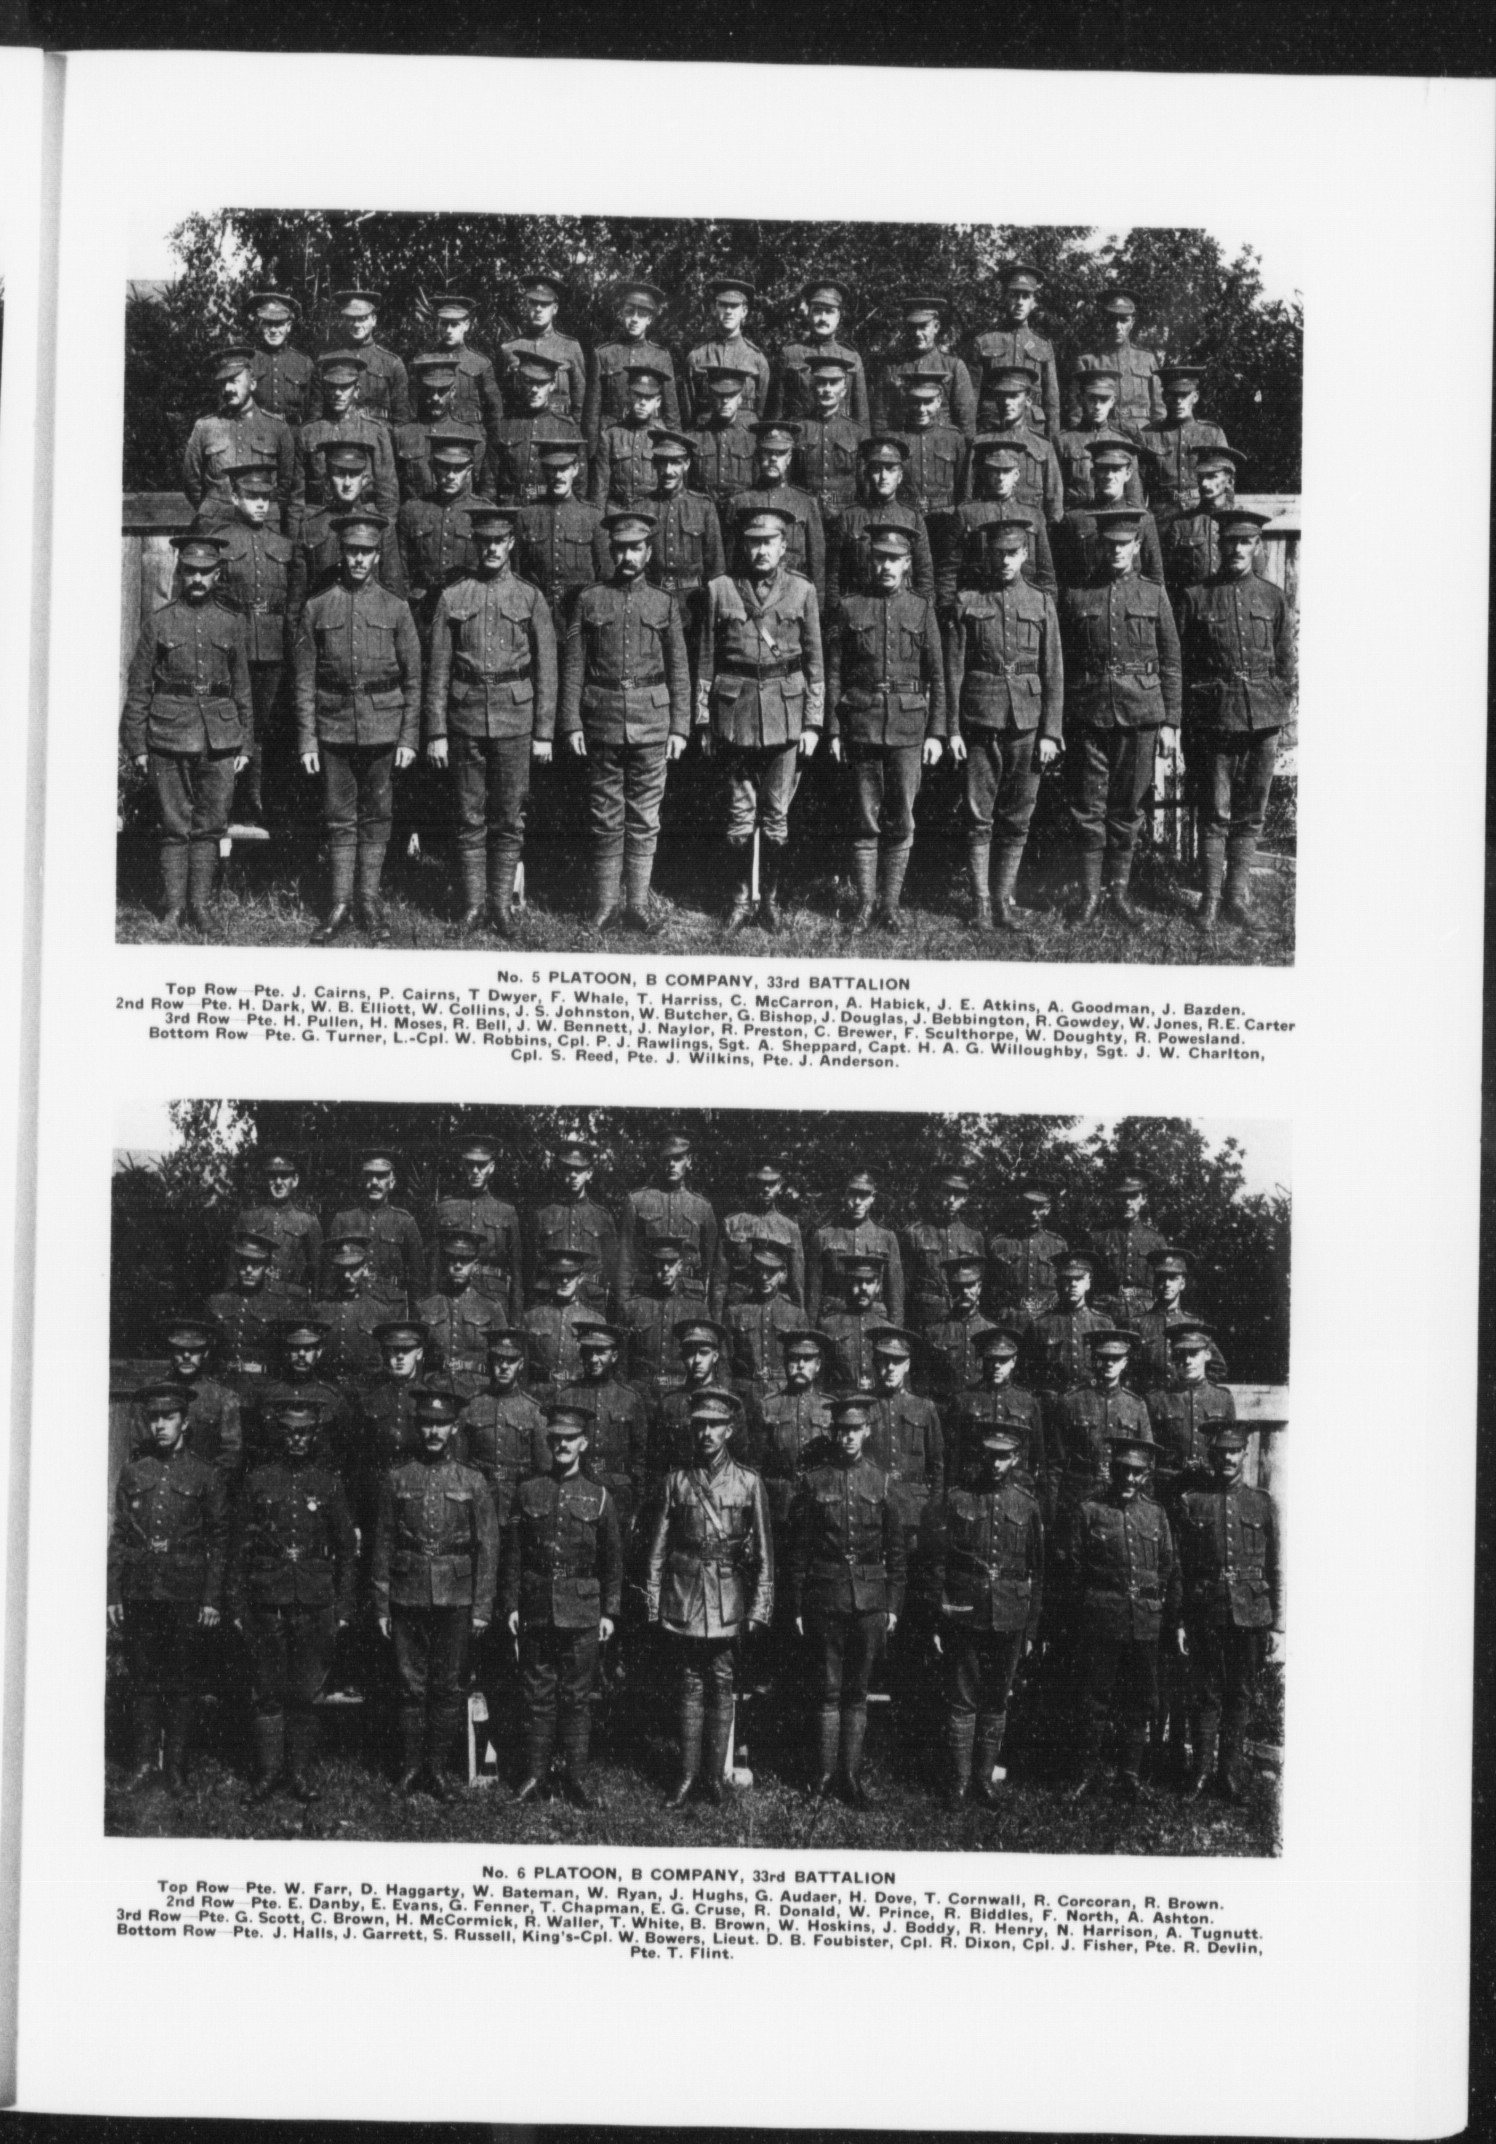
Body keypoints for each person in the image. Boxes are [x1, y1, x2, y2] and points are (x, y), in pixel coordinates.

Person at [424, 498, 557, 938]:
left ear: (512, 543)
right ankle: (472, 906)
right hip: (464, 718)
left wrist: (543, 732)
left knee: (509, 816)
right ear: (475, 543)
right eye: (484, 542)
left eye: (499, 541)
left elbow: (548, 670)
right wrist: (436, 731)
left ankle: (500, 906)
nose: (492, 549)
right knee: (468, 815)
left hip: (516, 719)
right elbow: (437, 671)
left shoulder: (530, 597)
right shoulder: (453, 597)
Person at [559, 507, 691, 933]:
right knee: (605, 815)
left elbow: (679, 669)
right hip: (602, 718)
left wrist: (680, 727)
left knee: (645, 816)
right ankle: (605, 906)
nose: (627, 557)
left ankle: (637, 905)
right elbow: (574, 666)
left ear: (649, 552)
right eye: (620, 549)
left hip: (652, 722)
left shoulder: (664, 603)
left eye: (636, 549)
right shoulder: (589, 600)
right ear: (611, 552)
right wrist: (571, 722)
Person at [293, 510, 421, 945]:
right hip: (333, 727)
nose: (359, 560)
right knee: (339, 817)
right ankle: (339, 904)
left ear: (378, 555)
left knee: (378, 816)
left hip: (384, 726)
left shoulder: (396, 608)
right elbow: (304, 679)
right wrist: (308, 740)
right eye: (351, 551)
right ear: (341, 553)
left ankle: (368, 901)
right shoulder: (317, 607)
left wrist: (409, 736)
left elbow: (414, 678)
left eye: (366, 552)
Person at [698, 504, 824, 934]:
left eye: (769, 542)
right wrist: (704, 722)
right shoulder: (720, 590)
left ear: (784, 546)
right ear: (743, 546)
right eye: (754, 543)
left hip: (785, 715)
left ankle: (768, 902)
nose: (761, 551)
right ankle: (739, 902)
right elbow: (706, 660)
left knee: (775, 820)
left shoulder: (802, 590)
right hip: (733, 715)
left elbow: (815, 662)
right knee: (738, 818)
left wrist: (812, 723)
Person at [644, 1387, 774, 1808]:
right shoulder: (676, 1481)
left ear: (729, 1430)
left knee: (722, 1680)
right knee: (688, 1681)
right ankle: (685, 1776)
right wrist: (653, 1600)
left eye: (715, 1425)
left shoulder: (749, 1482)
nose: (706, 1433)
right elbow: (658, 1549)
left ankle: (713, 1778)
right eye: (700, 1425)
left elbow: (765, 1555)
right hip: (684, 1593)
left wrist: (760, 1607)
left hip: (728, 1595)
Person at [226, 1395, 357, 1804]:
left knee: (305, 1691)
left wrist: (344, 1607)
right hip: (267, 1599)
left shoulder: (329, 1483)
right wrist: (237, 1605)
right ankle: (268, 1774)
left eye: (304, 1433)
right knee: (266, 1690)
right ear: (278, 1435)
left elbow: (347, 1549)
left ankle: (298, 1774)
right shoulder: (258, 1481)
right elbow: (238, 1548)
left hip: (316, 1601)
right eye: (289, 1432)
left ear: (314, 1435)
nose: (297, 1439)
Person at [122, 530, 252, 934]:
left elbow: (243, 688)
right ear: (180, 572)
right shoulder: (159, 623)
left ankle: (201, 907)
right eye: (191, 571)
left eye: (205, 571)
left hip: (220, 739)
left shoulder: (232, 623)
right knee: (173, 824)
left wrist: (246, 743)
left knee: (210, 825)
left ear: (217, 574)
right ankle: (174, 909)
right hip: (168, 736)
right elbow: (139, 687)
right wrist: (137, 745)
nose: (197, 578)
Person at [373, 1380, 498, 1797]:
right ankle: (411, 1769)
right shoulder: (396, 1478)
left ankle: (437, 1771)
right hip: (407, 1593)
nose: (433, 1432)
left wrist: (482, 1607)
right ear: (416, 1426)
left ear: (454, 1428)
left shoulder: (472, 1481)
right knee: (410, 1685)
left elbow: (488, 1547)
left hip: (456, 1596)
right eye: (426, 1423)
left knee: (448, 1686)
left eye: (441, 1424)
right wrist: (381, 1605)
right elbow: (383, 1543)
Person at [1059, 506, 1182, 928]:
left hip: (1140, 712)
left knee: (1128, 808)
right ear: (1100, 545)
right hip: (1088, 712)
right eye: (1109, 544)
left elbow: (1171, 662)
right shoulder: (1076, 595)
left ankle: (1119, 893)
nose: (1116, 551)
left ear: (1137, 546)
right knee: (1087, 806)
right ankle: (1090, 896)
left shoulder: (1154, 594)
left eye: (1124, 544)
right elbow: (1061, 662)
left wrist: (1170, 722)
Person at [107, 1381, 229, 1794]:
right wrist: (114, 1593)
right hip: (141, 1589)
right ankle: (143, 1763)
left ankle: (175, 1767)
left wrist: (211, 1598)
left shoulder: (205, 1474)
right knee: (142, 1677)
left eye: (169, 1417)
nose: (160, 1425)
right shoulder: (134, 1471)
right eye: (154, 1418)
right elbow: (120, 1535)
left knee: (181, 1679)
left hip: (184, 1591)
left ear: (185, 1422)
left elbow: (219, 1540)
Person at [825, 523, 946, 934]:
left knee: (902, 817)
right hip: (861, 722)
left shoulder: (921, 609)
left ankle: (890, 906)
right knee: (864, 817)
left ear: (908, 564)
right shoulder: (850, 607)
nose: (886, 567)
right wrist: (834, 730)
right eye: (880, 558)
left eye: (895, 560)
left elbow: (937, 675)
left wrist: (936, 733)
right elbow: (835, 673)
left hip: (909, 726)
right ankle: (864, 904)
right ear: (870, 561)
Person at [943, 519, 1064, 932]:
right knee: (979, 813)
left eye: (1012, 553)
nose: (1005, 561)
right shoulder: (967, 601)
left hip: (1027, 722)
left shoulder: (1041, 602)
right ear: (988, 555)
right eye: (998, 553)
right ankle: (980, 901)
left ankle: (1003, 900)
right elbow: (953, 671)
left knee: (1017, 815)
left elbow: (1053, 671)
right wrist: (952, 730)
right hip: (980, 717)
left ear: (1025, 555)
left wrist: (1051, 732)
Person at [1180, 506, 1295, 937]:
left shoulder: (1273, 598)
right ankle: (1210, 900)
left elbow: (1286, 663)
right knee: (1215, 811)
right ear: (1219, 545)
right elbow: (1183, 664)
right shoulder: (1196, 597)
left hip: (1263, 719)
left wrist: (1277, 702)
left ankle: (1237, 898)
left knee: (1251, 813)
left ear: (1257, 547)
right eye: (1230, 541)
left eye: (1245, 542)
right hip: (1216, 719)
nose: (1237, 549)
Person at [502, 1402, 623, 1805]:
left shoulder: (599, 1497)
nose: (562, 1445)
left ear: (584, 1443)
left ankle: (576, 1779)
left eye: (570, 1439)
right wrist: (512, 1604)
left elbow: (613, 1562)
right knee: (537, 1694)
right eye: (555, 1439)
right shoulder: (528, 1491)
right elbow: (514, 1555)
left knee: (576, 1697)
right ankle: (535, 1776)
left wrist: (609, 1612)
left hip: (583, 1610)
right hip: (537, 1606)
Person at [787, 1394, 906, 1802]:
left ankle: (851, 1778)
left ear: (867, 1431)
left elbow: (896, 1554)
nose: (848, 1437)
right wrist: (798, 1604)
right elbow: (799, 1552)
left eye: (855, 1430)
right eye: (842, 1430)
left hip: (870, 1601)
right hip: (825, 1597)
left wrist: (893, 1605)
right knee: (827, 1690)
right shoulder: (814, 1482)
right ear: (833, 1432)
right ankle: (823, 1776)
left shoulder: (882, 1482)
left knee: (857, 1692)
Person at [923, 1423, 1044, 1805]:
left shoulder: (1027, 1505)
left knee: (996, 1698)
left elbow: (1037, 1571)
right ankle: (959, 1782)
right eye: (991, 1455)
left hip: (1010, 1613)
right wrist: (939, 1617)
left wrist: (1030, 1629)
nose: (996, 1464)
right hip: (964, 1611)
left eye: (1004, 1457)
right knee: (962, 1697)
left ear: (1016, 1459)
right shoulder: (957, 1499)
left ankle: (984, 1779)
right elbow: (937, 1562)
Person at [1062, 1425, 1179, 1799]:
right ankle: (1084, 1774)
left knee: (1140, 1700)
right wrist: (1085, 1614)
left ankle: (1129, 1774)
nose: (1129, 1479)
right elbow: (1074, 1570)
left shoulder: (1156, 1515)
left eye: (1136, 1472)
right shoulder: (1089, 1511)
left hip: (1144, 1622)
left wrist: (1160, 1612)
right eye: (1122, 1470)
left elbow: (1167, 1568)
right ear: (1111, 1470)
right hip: (1101, 1620)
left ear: (1146, 1475)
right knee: (1092, 1700)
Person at [1174, 1423, 1282, 1802]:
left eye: (1234, 1452)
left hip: (1251, 1612)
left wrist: (1277, 1625)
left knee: (1241, 1693)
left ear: (1245, 1454)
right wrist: (1181, 1621)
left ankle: (1230, 1774)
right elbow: (1181, 1568)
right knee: (1205, 1693)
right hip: (1206, 1610)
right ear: (1211, 1456)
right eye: (1220, 1452)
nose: (1227, 1458)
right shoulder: (1192, 1502)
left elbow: (1275, 1566)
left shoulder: (1262, 1503)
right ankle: (1201, 1772)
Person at [203, 462, 295, 827]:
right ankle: (231, 803)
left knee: (268, 727)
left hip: (273, 648)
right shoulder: (220, 541)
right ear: (234, 497)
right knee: (235, 723)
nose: (260, 504)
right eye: (252, 496)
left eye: (265, 498)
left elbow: (293, 601)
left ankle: (262, 804)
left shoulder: (283, 544)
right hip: (234, 646)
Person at [286, 442, 405, 641]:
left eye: (354, 474)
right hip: (323, 635)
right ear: (328, 478)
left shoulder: (381, 526)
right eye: (340, 474)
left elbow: (394, 592)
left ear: (365, 479)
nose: (347, 483)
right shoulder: (310, 527)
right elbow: (296, 601)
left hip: (371, 635)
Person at [181, 343, 297, 535]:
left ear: (252, 383)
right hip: (216, 527)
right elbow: (191, 482)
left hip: (263, 529)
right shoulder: (205, 427)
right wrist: (213, 509)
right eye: (223, 382)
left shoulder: (277, 429)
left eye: (234, 381)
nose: (228, 389)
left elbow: (285, 485)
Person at [938, 438, 1059, 610]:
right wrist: (949, 612)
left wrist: (1047, 612)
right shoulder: (967, 514)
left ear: (1016, 475)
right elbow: (948, 573)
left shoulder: (1034, 516)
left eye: (1007, 471)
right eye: (994, 471)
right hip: (979, 604)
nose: (1001, 477)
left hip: (1024, 606)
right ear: (985, 474)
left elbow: (1046, 575)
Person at [1047, 1328, 1153, 1524]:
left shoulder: (1136, 1406)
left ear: (1125, 1362)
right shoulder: (1071, 1401)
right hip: (1077, 1497)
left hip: (1120, 1498)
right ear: (1094, 1359)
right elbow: (1055, 1465)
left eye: (1116, 1358)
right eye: (1104, 1357)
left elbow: (1147, 1463)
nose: (1109, 1363)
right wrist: (1051, 1515)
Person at [514, 437, 610, 644]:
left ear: (575, 469)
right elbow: (517, 575)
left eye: (564, 468)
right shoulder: (526, 516)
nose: (558, 476)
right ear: (543, 470)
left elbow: (605, 577)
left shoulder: (593, 517)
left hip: (581, 619)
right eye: (551, 469)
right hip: (538, 617)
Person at [395, 434, 488, 644]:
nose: (451, 476)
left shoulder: (482, 511)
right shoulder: (412, 511)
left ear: (469, 470)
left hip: (468, 609)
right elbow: (402, 570)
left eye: (458, 469)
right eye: (444, 468)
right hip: (422, 611)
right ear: (433, 467)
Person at [645, 430, 727, 666]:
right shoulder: (642, 507)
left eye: (675, 463)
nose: (668, 470)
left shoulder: (703, 507)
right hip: (653, 603)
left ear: (687, 464)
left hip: (693, 606)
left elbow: (716, 567)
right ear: (654, 464)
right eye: (663, 463)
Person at [423, 1136, 524, 1321]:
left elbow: (517, 1272)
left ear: (491, 1167)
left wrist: (516, 1320)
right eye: (470, 1165)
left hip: (494, 1297)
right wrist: (431, 1310)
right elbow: (433, 1265)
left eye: (482, 1165)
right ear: (463, 1166)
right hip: (451, 1295)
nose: (476, 1171)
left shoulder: (506, 1212)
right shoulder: (445, 1209)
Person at [724, 419, 826, 602]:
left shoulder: (806, 503)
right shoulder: (739, 502)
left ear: (789, 458)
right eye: (767, 452)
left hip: (793, 597)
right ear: (757, 455)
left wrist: (817, 606)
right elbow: (731, 561)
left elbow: (816, 563)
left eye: (780, 453)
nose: (773, 458)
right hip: (750, 597)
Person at [827, 436, 934, 608]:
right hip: (859, 607)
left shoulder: (913, 518)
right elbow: (833, 575)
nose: (884, 476)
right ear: (868, 474)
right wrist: (837, 614)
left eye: (891, 470)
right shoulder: (849, 517)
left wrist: (921, 613)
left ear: (900, 476)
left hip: (902, 607)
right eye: (877, 469)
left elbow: (925, 576)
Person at [457, 1329, 549, 1528]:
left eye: (511, 1361)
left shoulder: (534, 1411)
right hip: (479, 1498)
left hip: (518, 1502)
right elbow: (459, 1463)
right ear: (490, 1361)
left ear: (521, 1364)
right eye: (499, 1360)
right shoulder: (471, 1406)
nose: (504, 1367)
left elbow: (543, 1469)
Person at [866, 1324, 945, 1559]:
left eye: (897, 1361)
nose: (890, 1368)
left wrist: (932, 1511)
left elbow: (937, 1466)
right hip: (872, 1504)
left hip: (913, 1509)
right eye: (884, 1361)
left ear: (908, 1365)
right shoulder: (864, 1405)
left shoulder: (925, 1408)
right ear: (875, 1363)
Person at [295, 350, 398, 525]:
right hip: (320, 520)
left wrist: (384, 531)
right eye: (332, 387)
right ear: (324, 389)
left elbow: (387, 494)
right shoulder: (309, 433)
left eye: (344, 387)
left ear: (356, 391)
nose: (338, 393)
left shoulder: (375, 432)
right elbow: (297, 497)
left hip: (364, 521)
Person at [617, 1130, 717, 1308]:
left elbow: (710, 1267)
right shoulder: (637, 1201)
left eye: (678, 1158)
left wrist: (705, 1306)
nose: (671, 1164)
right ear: (659, 1161)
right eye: (666, 1159)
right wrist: (623, 1305)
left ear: (689, 1161)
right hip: (646, 1294)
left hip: (689, 1296)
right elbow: (625, 1260)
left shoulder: (702, 1207)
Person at [948, 1327, 1047, 1507]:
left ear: (1014, 1361)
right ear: (982, 1360)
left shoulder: (1027, 1402)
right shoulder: (963, 1400)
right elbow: (953, 1454)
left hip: (1016, 1492)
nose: (996, 1366)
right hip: (973, 1490)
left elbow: (1038, 1456)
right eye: (991, 1359)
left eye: (1003, 1360)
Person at [1052, 437, 1166, 590]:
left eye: (1116, 470)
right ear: (1093, 473)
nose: (1109, 476)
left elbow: (1155, 577)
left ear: (1128, 474)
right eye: (1103, 469)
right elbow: (1063, 576)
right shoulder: (1075, 519)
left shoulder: (1143, 518)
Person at [1145, 1320, 1237, 1504]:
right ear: (1173, 1357)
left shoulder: (1223, 1398)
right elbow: (1148, 1454)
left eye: (1194, 1354)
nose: (1187, 1361)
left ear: (1207, 1354)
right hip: (1168, 1489)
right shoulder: (1156, 1399)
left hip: (1209, 1489)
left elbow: (1230, 1447)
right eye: (1180, 1354)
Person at [583, 277, 682, 445]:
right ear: (622, 314)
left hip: (649, 440)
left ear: (649, 319)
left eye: (642, 314)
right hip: (610, 440)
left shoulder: (661, 357)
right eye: (629, 312)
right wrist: (591, 451)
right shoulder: (603, 354)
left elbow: (671, 412)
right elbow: (592, 412)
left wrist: (674, 449)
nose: (635, 319)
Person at [328, 1150, 426, 1315]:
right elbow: (329, 1277)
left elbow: (418, 1280)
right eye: (369, 1176)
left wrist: (416, 1318)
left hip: (392, 1308)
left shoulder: (405, 1222)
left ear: (392, 1182)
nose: (374, 1182)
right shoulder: (343, 1220)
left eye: (381, 1176)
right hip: (352, 1305)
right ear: (362, 1180)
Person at [530, 1135, 617, 1319]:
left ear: (589, 1173)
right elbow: (531, 1268)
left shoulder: (602, 1217)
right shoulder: (542, 1215)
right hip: (550, 1300)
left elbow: (612, 1269)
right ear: (559, 1171)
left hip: (591, 1300)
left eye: (579, 1170)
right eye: (568, 1169)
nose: (573, 1175)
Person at [971, 261, 1060, 438]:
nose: (1019, 302)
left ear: (1033, 302)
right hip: (992, 425)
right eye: (1014, 295)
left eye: (1026, 296)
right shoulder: (984, 341)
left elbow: (1052, 401)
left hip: (1033, 427)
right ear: (1004, 298)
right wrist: (970, 438)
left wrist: (1053, 441)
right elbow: (971, 397)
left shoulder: (1042, 345)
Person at [769, 274, 870, 427]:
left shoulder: (851, 357)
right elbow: (775, 412)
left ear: (838, 316)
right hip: (799, 434)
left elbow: (861, 417)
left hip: (840, 436)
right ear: (808, 313)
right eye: (817, 311)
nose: (823, 318)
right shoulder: (790, 354)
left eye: (829, 311)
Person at [806, 1170, 904, 1326]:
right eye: (852, 1194)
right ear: (844, 1195)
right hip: (834, 1318)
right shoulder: (824, 1236)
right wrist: (811, 1329)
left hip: (875, 1320)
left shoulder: (887, 1237)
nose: (858, 1202)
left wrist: (895, 1330)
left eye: (864, 1195)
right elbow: (813, 1291)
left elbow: (895, 1293)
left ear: (872, 1197)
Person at [205, 1230, 302, 1387]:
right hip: (223, 1384)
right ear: (236, 1264)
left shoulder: (280, 1305)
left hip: (264, 1385)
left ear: (266, 1266)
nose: (249, 1269)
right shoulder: (217, 1301)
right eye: (243, 1263)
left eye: (256, 1264)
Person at [151, 1315, 243, 1481]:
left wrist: (207, 1482)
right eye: (179, 1350)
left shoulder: (224, 1397)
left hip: (205, 1486)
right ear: (172, 1352)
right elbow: (140, 1447)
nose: (186, 1356)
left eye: (194, 1350)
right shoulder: (154, 1393)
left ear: (205, 1353)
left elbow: (231, 1454)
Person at [711, 1160, 806, 1318]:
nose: (766, 1189)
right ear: (752, 1184)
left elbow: (797, 1284)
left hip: (776, 1312)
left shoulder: (790, 1228)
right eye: (761, 1184)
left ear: (780, 1185)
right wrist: (716, 1321)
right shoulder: (732, 1224)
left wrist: (799, 1318)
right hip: (738, 1311)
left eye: (772, 1184)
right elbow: (719, 1283)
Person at [873, 294, 976, 438]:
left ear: (936, 327)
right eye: (912, 327)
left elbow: (966, 422)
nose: (917, 333)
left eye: (923, 326)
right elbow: (880, 421)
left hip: (942, 445)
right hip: (902, 445)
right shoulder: (892, 369)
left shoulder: (953, 367)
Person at [417, 1226, 505, 1393]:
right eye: (453, 1259)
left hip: (477, 1391)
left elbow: (504, 1358)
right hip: (436, 1389)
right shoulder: (426, 1307)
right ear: (445, 1261)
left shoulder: (491, 1308)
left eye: (464, 1260)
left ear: (475, 1264)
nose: (458, 1266)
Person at [392, 353, 491, 502]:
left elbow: (483, 486)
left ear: (453, 392)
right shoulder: (402, 435)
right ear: (420, 390)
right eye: (429, 390)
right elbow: (393, 489)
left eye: (442, 391)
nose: (435, 398)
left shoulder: (471, 435)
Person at [1138, 362, 1228, 524]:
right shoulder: (1148, 436)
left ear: (1195, 397)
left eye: (1184, 395)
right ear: (1164, 397)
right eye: (1173, 395)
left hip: (1202, 516)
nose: (1178, 401)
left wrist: (1224, 520)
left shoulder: (1212, 434)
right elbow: (1138, 488)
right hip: (1162, 518)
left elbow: (1226, 483)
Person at [492, 347, 583, 504]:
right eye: (528, 382)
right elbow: (489, 481)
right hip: (510, 508)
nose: (534, 390)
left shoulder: (567, 429)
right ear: (520, 382)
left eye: (541, 383)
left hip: (548, 508)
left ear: (552, 385)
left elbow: (580, 484)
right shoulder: (504, 427)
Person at [229, 1148, 323, 1298]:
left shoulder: (308, 1222)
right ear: (266, 1179)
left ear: (295, 1180)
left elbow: (318, 1274)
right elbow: (233, 1269)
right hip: (254, 1298)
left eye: (284, 1176)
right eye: (273, 1176)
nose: (278, 1182)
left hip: (292, 1300)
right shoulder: (248, 1217)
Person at [1020, 1248, 1113, 1398]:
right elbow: (1026, 1376)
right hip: (1053, 1402)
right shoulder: (1040, 1326)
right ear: (1057, 1283)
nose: (1073, 1284)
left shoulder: (1103, 1324)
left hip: (1091, 1400)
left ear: (1088, 1283)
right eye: (1067, 1279)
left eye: (1079, 1279)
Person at [903, 1162, 986, 1331]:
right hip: (925, 1321)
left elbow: (981, 1287)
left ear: (965, 1198)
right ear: (937, 1193)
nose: (951, 1200)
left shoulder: (974, 1237)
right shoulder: (915, 1234)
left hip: (963, 1321)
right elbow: (903, 1287)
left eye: (958, 1195)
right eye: (947, 1192)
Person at [791, 353, 868, 533]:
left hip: (845, 517)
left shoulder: (857, 433)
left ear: (844, 390)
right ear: (812, 387)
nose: (827, 389)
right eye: (821, 383)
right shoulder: (797, 429)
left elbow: (865, 486)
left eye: (833, 383)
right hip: (805, 516)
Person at [1068, 290, 1164, 432]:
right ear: (1104, 322)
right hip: (1103, 434)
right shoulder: (1087, 361)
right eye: (1112, 320)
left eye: (1123, 320)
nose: (1117, 327)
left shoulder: (1147, 359)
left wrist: (1158, 438)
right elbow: (1076, 414)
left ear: (1132, 323)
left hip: (1142, 433)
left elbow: (1159, 410)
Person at [1132, 1247, 1227, 1391]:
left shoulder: (1194, 1324)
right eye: (1162, 1278)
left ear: (1182, 1284)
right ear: (1155, 1282)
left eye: (1173, 1278)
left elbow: (1218, 1367)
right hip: (1150, 1400)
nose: (1167, 1284)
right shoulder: (1137, 1324)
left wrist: (1195, 1393)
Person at [501, 268, 586, 427]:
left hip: (559, 430)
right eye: (533, 303)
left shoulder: (570, 347)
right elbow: (501, 400)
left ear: (555, 308)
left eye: (545, 304)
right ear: (526, 305)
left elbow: (580, 402)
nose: (538, 309)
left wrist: (573, 432)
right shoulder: (509, 348)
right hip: (520, 428)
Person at [724, 1239, 808, 1396]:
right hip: (744, 1393)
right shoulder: (735, 1312)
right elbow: (725, 1362)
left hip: (782, 1392)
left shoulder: (796, 1314)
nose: (764, 1277)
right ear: (752, 1270)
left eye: (771, 1271)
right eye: (759, 1270)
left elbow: (805, 1362)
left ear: (783, 1273)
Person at [1055, 367, 1146, 511]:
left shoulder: (1124, 443)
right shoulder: (1063, 441)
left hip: (1113, 519)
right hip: (1077, 518)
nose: (1097, 406)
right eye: (1092, 399)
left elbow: (1133, 498)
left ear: (1112, 401)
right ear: (1081, 399)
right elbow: (1055, 495)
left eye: (1104, 399)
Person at [685, 272, 770, 425]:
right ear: (713, 309)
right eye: (723, 305)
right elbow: (688, 408)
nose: (729, 311)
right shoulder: (697, 356)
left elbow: (762, 410)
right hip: (706, 430)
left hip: (744, 430)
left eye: (734, 306)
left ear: (744, 311)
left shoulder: (757, 359)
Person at [894, 365, 969, 539]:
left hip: (945, 520)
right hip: (906, 517)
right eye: (915, 401)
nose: (921, 409)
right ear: (907, 400)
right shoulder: (896, 438)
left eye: (928, 402)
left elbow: (964, 487)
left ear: (939, 401)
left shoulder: (954, 438)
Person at [423, 288, 504, 447]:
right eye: (444, 324)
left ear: (466, 325)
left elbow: (494, 413)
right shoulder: (425, 361)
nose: (448, 330)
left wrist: (492, 452)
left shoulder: (480, 364)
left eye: (454, 324)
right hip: (435, 439)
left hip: (471, 441)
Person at [320, 287, 410, 427]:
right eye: (351, 319)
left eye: (362, 319)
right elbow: (317, 414)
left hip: (380, 433)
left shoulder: (392, 363)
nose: (357, 324)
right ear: (343, 320)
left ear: (374, 320)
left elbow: (402, 418)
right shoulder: (327, 361)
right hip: (338, 433)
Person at [1090, 1163, 1167, 1322]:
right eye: (1122, 1196)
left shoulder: (1156, 1240)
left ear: (1143, 1199)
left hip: (1145, 1312)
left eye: (1133, 1196)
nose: (1127, 1202)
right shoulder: (1098, 1237)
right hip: (1106, 1312)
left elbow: (1164, 1283)